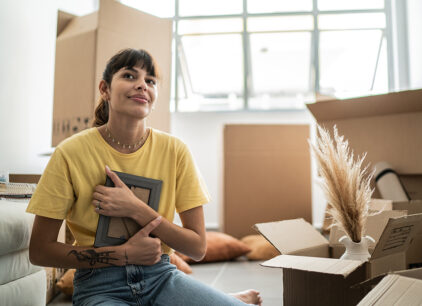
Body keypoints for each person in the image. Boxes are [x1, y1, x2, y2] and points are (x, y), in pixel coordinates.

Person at [27, 48, 262, 306]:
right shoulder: (70, 153)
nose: (142, 85)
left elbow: (197, 248)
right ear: (104, 89)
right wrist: (122, 255)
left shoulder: (175, 150)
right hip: (100, 286)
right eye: (129, 76)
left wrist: (136, 208)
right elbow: (39, 251)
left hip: (161, 278)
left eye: (150, 81)